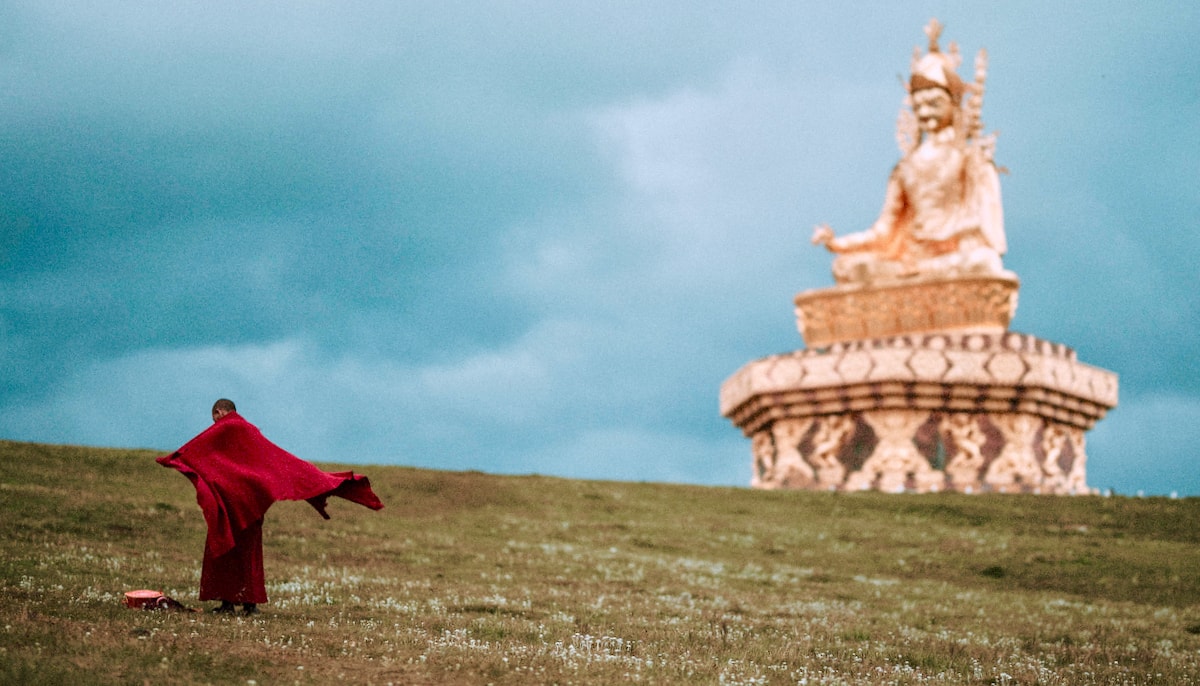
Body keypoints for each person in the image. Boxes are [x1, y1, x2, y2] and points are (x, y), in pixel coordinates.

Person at [812, 19, 1007, 284]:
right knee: (846, 268)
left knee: (983, 263)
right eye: (919, 105)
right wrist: (837, 243)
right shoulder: (906, 168)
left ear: (953, 103)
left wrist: (954, 237)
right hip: (909, 260)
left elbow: (984, 221)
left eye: (934, 103)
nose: (925, 112)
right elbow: (883, 230)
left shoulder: (968, 158)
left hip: (951, 260)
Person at [157, 399, 384, 615]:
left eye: (214, 417)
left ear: (220, 412)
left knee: (227, 551)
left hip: (233, 504)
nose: (214, 423)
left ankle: (228, 603)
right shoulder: (251, 431)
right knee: (249, 554)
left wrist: (175, 457)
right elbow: (272, 461)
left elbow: (198, 448)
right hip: (250, 504)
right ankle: (248, 605)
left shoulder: (228, 427)